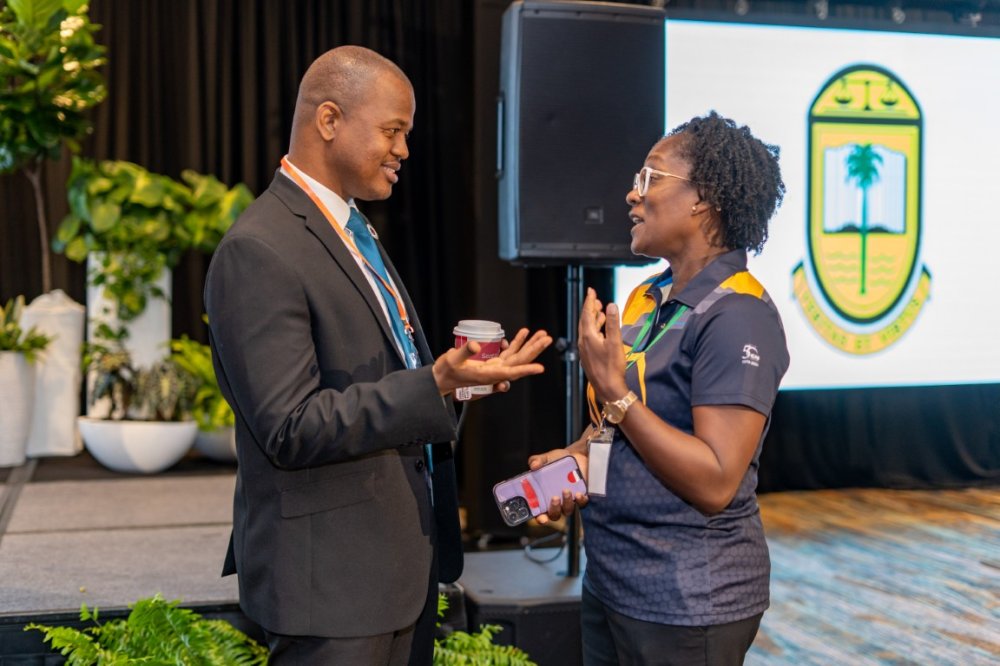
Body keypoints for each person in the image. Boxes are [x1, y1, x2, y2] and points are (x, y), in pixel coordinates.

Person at [204, 45, 551, 666]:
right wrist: (431, 382)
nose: (404, 150)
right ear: (329, 120)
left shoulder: (352, 230)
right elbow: (290, 426)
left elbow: (384, 382)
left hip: (393, 577)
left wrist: (453, 386)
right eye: (392, 131)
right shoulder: (260, 249)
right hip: (331, 590)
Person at [530, 111, 789, 666]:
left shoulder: (739, 315)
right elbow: (617, 428)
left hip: (688, 599)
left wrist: (614, 390)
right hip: (613, 581)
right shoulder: (647, 297)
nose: (632, 193)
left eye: (650, 177)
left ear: (704, 199)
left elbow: (715, 481)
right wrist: (575, 459)